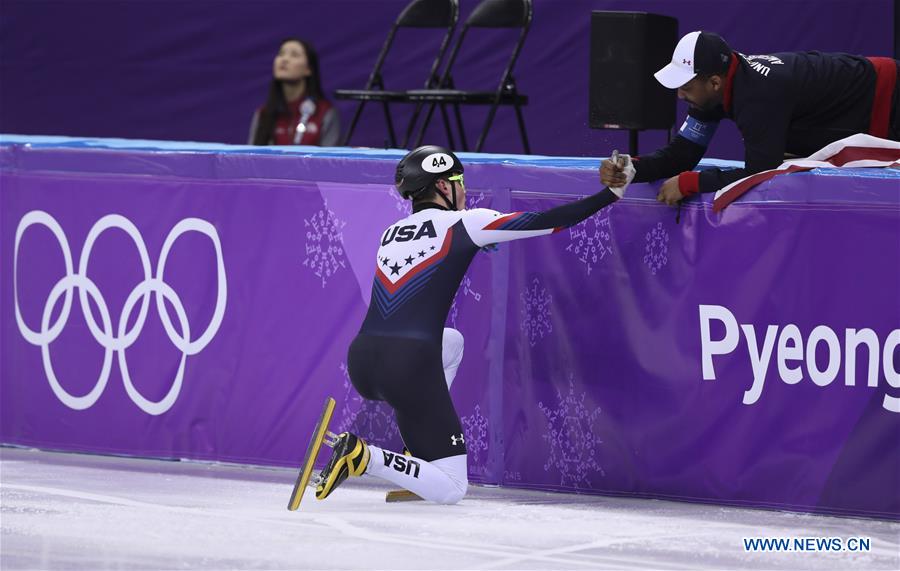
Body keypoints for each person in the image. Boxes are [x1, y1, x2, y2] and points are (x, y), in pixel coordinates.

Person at [313, 145, 635, 504]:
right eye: (458, 181)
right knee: (452, 488)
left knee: (452, 343)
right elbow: (550, 222)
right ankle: (363, 457)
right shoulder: (468, 222)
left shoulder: (392, 231)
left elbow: (431, 255)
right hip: (408, 365)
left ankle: (419, 460)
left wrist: (475, 242)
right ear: (442, 188)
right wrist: (611, 194)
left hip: (364, 360)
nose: (464, 190)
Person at [600, 31, 900, 205]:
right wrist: (634, 168)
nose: (680, 96)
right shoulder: (717, 88)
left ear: (714, 82)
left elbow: (760, 174)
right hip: (867, 101)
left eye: (686, 87)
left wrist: (692, 183)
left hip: (889, 97)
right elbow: (683, 152)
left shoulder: (757, 96)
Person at [248, 38, 341, 146]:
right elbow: (251, 159)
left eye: (294, 55)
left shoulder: (325, 112)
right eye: (281, 54)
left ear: (309, 69)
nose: (285, 59)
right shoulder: (263, 114)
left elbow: (331, 161)